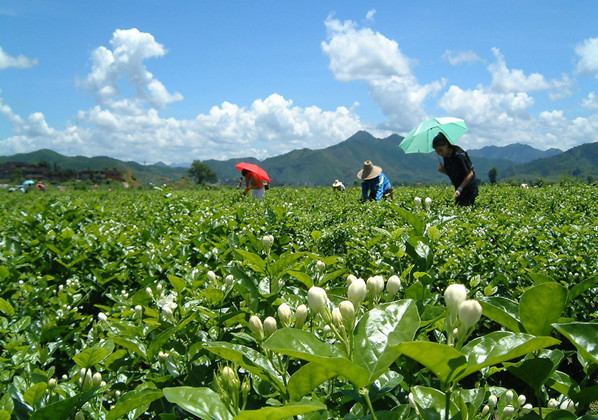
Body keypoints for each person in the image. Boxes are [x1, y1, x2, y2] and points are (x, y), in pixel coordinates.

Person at [432, 132, 478, 206]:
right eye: (437, 152)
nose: (440, 153)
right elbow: (454, 173)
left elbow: (470, 174)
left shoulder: (459, 155)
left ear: (446, 145)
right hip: (458, 189)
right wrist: (443, 171)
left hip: (468, 189)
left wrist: (460, 188)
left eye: (441, 150)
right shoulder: (446, 157)